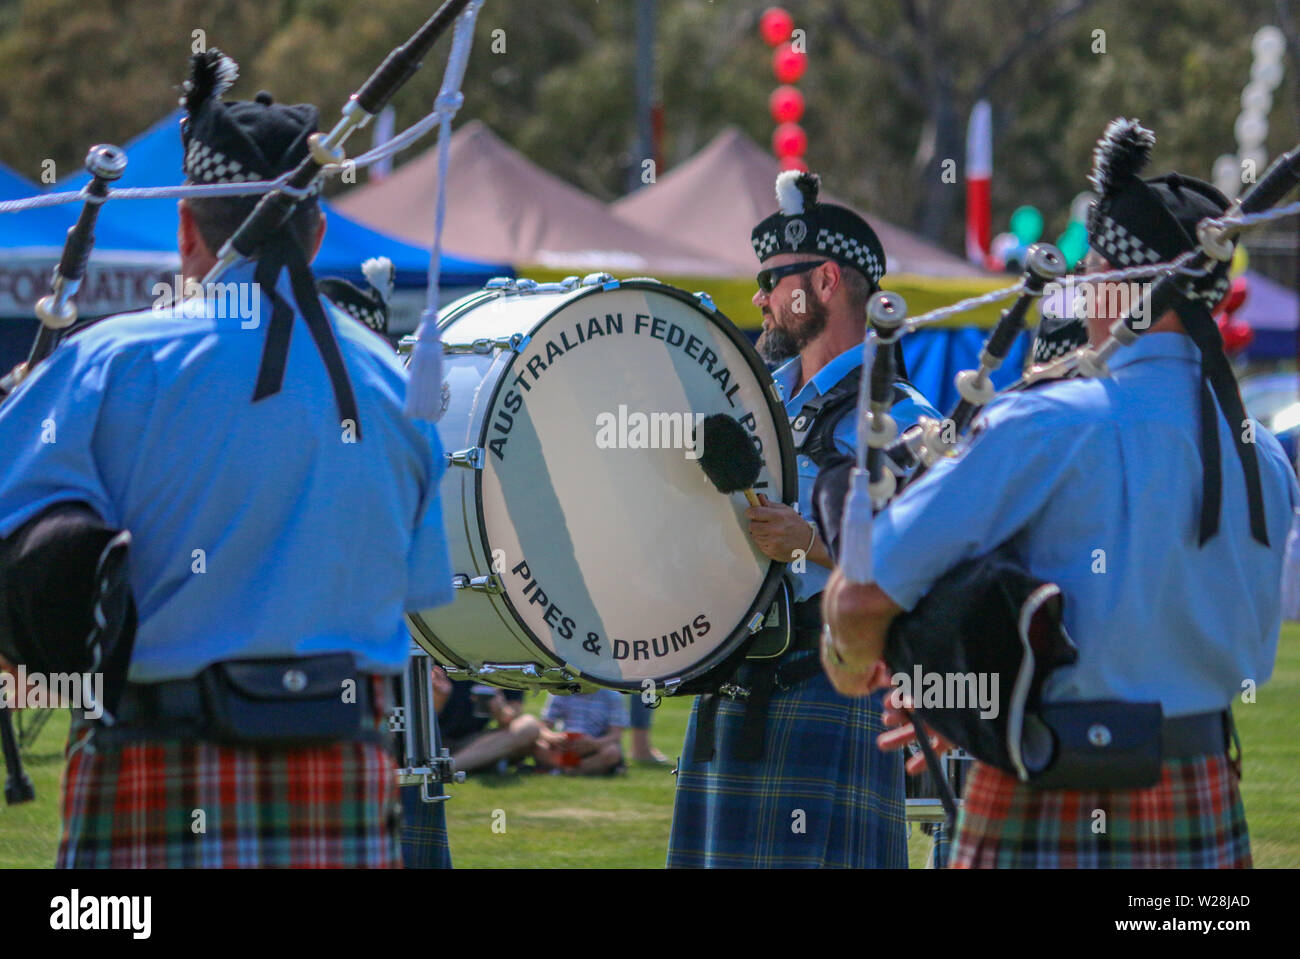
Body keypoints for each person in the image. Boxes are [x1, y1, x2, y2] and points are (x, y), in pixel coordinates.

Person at [0, 48, 454, 868]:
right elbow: (419, 592)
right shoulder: (399, 389)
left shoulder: (105, 367)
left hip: (151, 772)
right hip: (342, 780)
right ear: (317, 233)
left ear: (184, 226)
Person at [822, 118, 1299, 869]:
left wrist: (859, 662)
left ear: (1120, 283)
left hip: (1049, 796)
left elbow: (860, 599)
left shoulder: (1048, 423)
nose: (1078, 289)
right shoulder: (1265, 458)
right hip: (1204, 795)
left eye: (1093, 268)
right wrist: (973, 695)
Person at [667, 170, 941, 868]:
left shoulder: (903, 417)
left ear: (823, 283)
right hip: (731, 686)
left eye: (772, 280)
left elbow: (930, 565)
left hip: (829, 688)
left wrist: (814, 543)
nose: (758, 298)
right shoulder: (757, 402)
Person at [435, 673, 543, 774]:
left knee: (529, 725)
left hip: (474, 743)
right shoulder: (434, 663)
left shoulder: (503, 664)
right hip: (432, 741)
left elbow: (513, 716)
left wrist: (500, 710)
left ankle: (446, 768)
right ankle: (457, 766)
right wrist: (437, 701)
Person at [534, 689, 626, 775]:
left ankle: (565, 770)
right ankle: (577, 770)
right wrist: (554, 738)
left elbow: (616, 735)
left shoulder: (612, 694)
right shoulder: (560, 691)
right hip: (564, 746)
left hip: (595, 748)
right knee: (537, 745)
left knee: (612, 752)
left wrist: (594, 744)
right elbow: (543, 728)